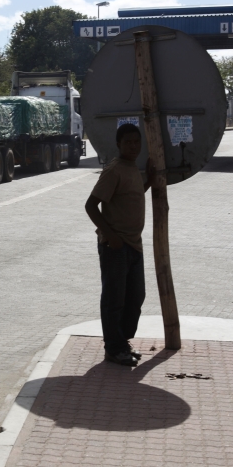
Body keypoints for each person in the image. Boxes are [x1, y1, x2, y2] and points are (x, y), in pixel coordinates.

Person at [84, 123, 154, 367]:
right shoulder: (114, 170)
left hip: (134, 245)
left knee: (135, 296)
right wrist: (110, 235)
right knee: (115, 299)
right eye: (128, 142)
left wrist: (150, 181)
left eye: (137, 142)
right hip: (116, 246)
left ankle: (121, 342)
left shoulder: (132, 168)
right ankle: (113, 348)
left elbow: (131, 195)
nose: (133, 146)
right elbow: (90, 205)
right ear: (118, 144)